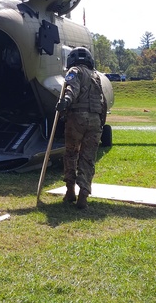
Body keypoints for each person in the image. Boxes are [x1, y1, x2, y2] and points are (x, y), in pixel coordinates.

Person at [55, 46, 108, 209]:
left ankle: (70, 190)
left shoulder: (74, 71)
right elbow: (103, 101)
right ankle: (83, 195)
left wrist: (66, 102)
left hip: (77, 118)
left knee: (71, 154)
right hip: (95, 121)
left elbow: (72, 89)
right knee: (88, 157)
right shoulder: (96, 76)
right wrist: (101, 121)